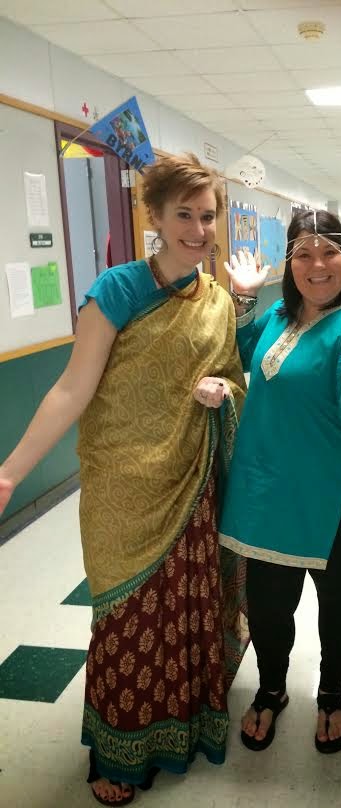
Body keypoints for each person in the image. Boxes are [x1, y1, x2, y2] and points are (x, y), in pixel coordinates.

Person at [0, 153, 249, 806]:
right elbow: (71, 389)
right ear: (156, 217)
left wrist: (222, 389)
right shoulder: (116, 290)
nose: (198, 229)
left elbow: (233, 376)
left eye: (207, 216)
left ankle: (183, 726)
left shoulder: (217, 301)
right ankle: (116, 751)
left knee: (187, 608)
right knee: (126, 618)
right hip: (123, 488)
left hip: (190, 480)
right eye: (184, 215)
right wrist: (11, 471)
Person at [218, 210, 341, 754]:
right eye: (303, 254)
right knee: (267, 602)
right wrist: (244, 297)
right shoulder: (282, 314)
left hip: (337, 495)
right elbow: (245, 352)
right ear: (289, 262)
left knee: (336, 598)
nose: (318, 265)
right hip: (269, 489)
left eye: (329, 251)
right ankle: (272, 689)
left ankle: (331, 694)